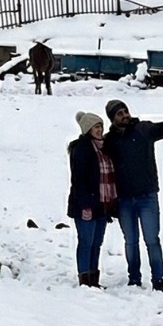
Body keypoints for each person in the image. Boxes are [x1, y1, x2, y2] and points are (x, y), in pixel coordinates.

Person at [103, 96, 163, 291]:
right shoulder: (109, 141)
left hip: (147, 196)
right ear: (112, 119)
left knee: (152, 240)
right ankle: (134, 279)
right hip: (124, 200)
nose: (124, 115)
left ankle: (158, 280)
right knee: (130, 241)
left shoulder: (143, 129)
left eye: (125, 111)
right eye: (119, 114)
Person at [67, 111, 117, 286]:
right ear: (88, 129)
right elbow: (78, 180)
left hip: (102, 204)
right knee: (86, 242)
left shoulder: (104, 147)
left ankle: (94, 279)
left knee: (97, 242)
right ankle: (84, 279)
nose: (100, 130)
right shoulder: (81, 149)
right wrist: (85, 205)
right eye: (96, 126)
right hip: (86, 204)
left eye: (101, 126)